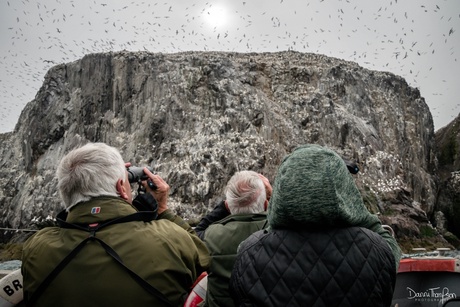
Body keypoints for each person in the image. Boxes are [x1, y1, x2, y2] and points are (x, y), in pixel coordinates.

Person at [21, 142, 210, 307]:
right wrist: (162, 209)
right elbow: (203, 259)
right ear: (121, 188)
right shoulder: (170, 238)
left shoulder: (37, 247)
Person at [229, 144, 402, 307]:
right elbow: (390, 249)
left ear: (282, 194)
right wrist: (355, 207)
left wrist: (276, 204)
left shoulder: (247, 255)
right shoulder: (378, 251)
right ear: (345, 189)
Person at [194, 171, 271, 307]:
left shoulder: (211, 236)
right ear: (266, 205)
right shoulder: (275, 232)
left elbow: (194, 235)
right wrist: (272, 194)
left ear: (228, 207)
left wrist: (223, 207)